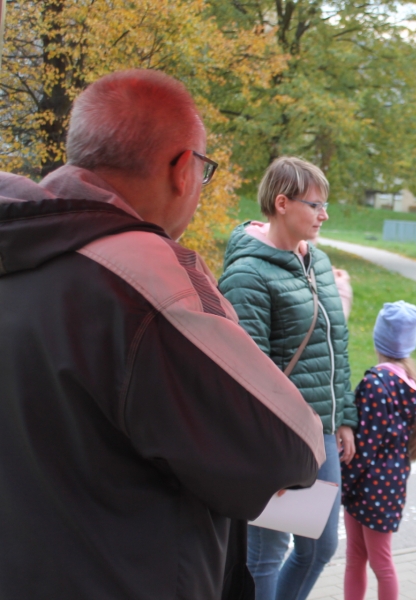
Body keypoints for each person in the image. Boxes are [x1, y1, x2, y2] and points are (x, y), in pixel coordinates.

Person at [0, 69, 325, 600]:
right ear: (181, 169)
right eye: (204, 170)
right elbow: (290, 448)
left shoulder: (20, 243)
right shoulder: (146, 281)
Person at [218, 156, 357, 600]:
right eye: (315, 205)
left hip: (322, 432)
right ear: (282, 203)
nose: (324, 215)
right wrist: (273, 440)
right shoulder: (247, 274)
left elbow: (335, 343)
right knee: (266, 554)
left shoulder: (318, 261)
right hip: (278, 439)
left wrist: (344, 417)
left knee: (320, 548)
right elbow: (248, 373)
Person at [341, 300, 416, 600]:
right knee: (367, 559)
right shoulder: (409, 383)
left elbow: (363, 448)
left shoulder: (376, 384)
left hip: (367, 487)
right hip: (387, 487)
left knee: (374, 561)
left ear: (378, 337)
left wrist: (342, 482)